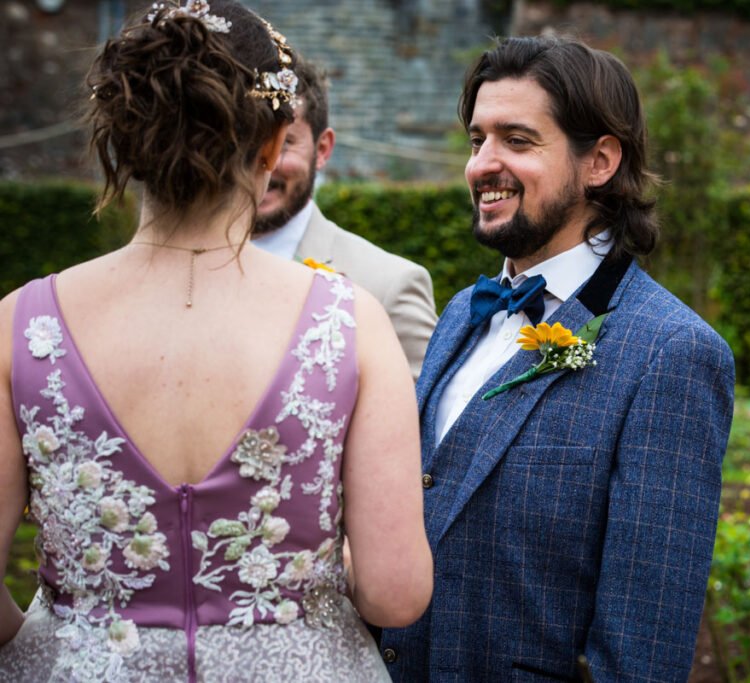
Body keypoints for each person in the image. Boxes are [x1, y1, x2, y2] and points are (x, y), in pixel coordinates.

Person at [0, 2, 432, 681]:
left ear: (123, 143)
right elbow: (395, 592)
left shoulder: (20, 324)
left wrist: (54, 638)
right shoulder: (349, 322)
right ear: (271, 143)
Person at [380, 35, 735, 681]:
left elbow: (644, 641)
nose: (482, 164)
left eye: (517, 140)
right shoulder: (462, 311)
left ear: (599, 160)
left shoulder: (673, 353)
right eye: (476, 139)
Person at [252, 57, 437, 380]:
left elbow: (425, 425)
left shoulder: (391, 285)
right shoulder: (188, 270)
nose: (262, 163)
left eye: (282, 143)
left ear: (322, 149)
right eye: (244, 142)